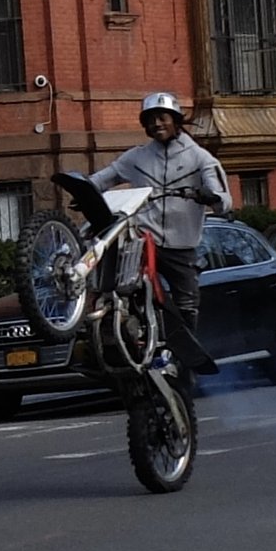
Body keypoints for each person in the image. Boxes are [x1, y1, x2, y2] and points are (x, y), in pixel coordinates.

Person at [92, 91, 230, 374]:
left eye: (162, 117)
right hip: (144, 241)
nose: (156, 124)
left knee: (188, 300)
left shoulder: (199, 157)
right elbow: (103, 178)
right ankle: (124, 331)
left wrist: (209, 197)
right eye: (150, 119)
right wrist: (83, 188)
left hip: (182, 246)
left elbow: (222, 196)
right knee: (121, 282)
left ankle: (185, 352)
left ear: (176, 120)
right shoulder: (137, 157)